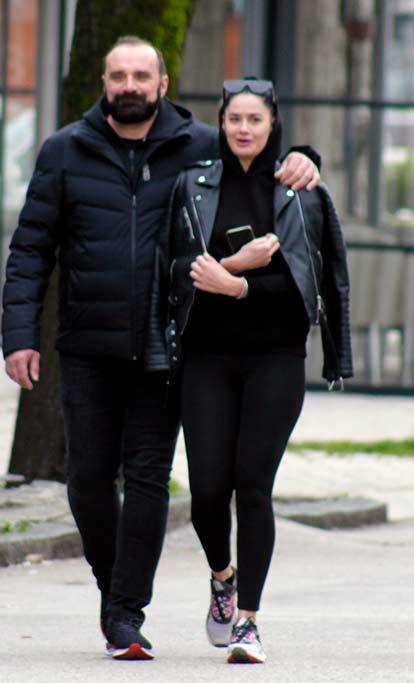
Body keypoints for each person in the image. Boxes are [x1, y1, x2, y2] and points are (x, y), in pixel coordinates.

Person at [1, 37, 320, 660]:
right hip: (86, 344)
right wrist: (18, 337)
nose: (129, 85)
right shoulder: (64, 150)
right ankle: (113, 589)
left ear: (162, 84)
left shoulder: (200, 145)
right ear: (104, 82)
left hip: (164, 343)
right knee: (88, 481)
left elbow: (259, 157)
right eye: (118, 75)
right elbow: (31, 249)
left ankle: (126, 613)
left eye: (140, 76)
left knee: (148, 478)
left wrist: (306, 157)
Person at [152, 78, 352, 664]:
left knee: (253, 485)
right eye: (234, 119)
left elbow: (306, 291)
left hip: (276, 358)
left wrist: (237, 286)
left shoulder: (300, 193)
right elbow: (173, 269)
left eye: (254, 120)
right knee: (207, 492)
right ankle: (223, 578)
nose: (243, 129)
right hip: (206, 357)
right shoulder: (193, 185)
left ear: (272, 127)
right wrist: (229, 265)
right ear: (221, 123)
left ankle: (248, 622)